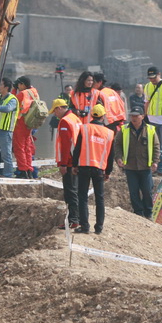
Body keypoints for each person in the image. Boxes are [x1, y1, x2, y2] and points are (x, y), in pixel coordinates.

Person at [72, 104, 114, 234]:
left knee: (83, 197)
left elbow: (77, 148)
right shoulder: (109, 133)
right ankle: (99, 227)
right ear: (103, 116)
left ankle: (85, 227)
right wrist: (108, 172)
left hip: (84, 167)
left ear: (92, 115)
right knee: (99, 198)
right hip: (99, 169)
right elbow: (110, 154)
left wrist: (74, 165)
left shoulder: (85, 129)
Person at [114, 106, 159, 218]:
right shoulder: (124, 129)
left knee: (147, 191)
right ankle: (138, 213)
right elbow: (117, 144)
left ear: (142, 116)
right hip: (130, 167)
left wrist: (155, 161)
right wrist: (119, 157)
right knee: (133, 192)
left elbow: (156, 146)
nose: (133, 118)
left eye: (136, 115)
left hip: (145, 166)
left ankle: (148, 213)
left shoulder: (150, 129)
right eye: (132, 115)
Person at [51, 98, 81, 229]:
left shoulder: (64, 122)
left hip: (68, 163)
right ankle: (77, 218)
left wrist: (63, 164)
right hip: (77, 161)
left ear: (59, 108)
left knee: (70, 192)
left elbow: (65, 145)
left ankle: (73, 220)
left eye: (54, 111)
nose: (54, 115)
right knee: (76, 191)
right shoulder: (75, 118)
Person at [0, 78, 18, 178]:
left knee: (6, 155)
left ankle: (8, 175)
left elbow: (8, 109)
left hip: (6, 131)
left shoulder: (12, 99)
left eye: (1, 85)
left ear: (6, 87)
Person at [12, 76, 39, 179]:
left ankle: (23, 170)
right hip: (30, 123)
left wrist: (14, 90)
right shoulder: (34, 91)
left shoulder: (22, 94)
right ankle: (29, 170)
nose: (18, 87)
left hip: (21, 123)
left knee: (19, 147)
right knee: (27, 148)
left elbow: (13, 101)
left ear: (22, 84)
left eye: (18, 85)